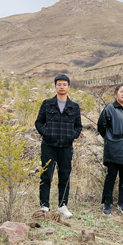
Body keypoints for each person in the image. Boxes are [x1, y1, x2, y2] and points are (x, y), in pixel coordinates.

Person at [35, 74, 82, 218]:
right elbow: (39, 122)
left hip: (66, 147)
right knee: (46, 175)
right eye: (59, 84)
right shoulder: (47, 103)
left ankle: (63, 205)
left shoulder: (74, 106)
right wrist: (46, 133)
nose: (62, 87)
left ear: (69, 87)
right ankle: (44, 205)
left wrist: (72, 136)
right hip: (48, 145)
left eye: (64, 84)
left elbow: (78, 126)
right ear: (55, 87)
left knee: (64, 175)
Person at [97, 84, 123, 214]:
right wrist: (110, 138)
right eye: (121, 91)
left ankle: (122, 202)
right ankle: (107, 203)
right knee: (111, 176)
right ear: (116, 94)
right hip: (114, 148)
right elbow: (101, 126)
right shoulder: (110, 108)